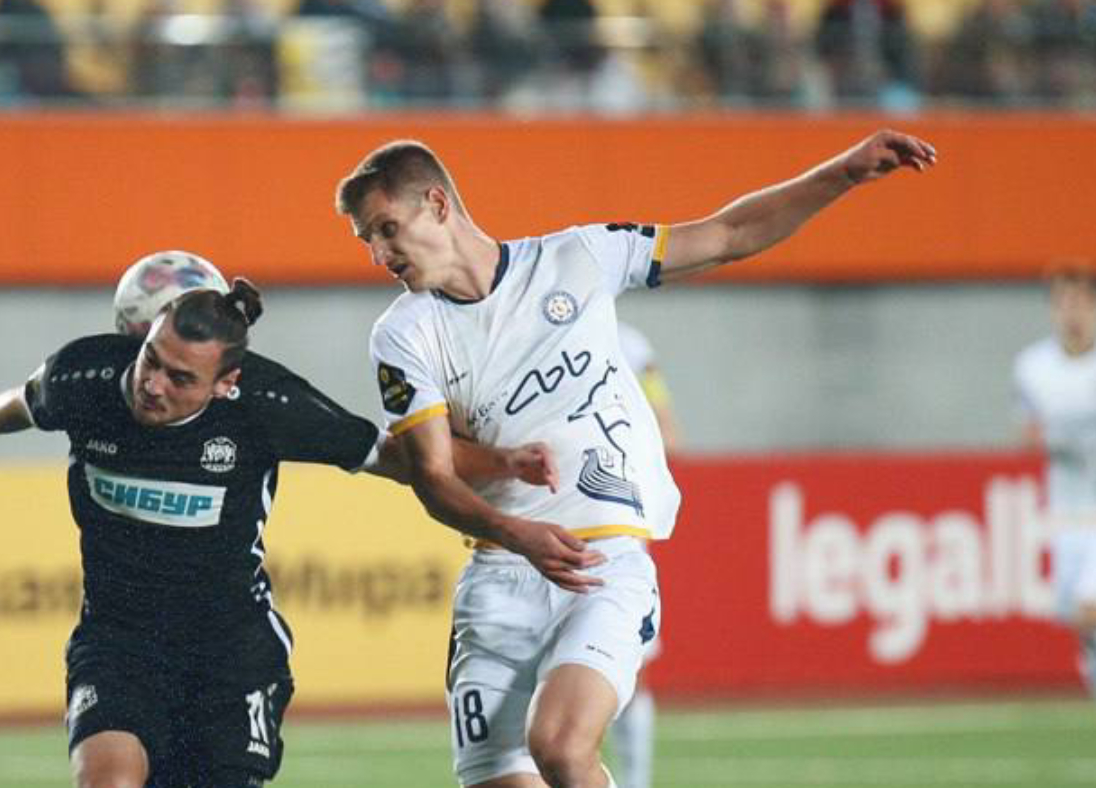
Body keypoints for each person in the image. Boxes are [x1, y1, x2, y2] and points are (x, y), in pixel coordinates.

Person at [334, 129, 936, 788]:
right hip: (498, 581)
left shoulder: (579, 257)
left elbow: (728, 234)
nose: (380, 254)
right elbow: (432, 476)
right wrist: (515, 527)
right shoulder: (403, 335)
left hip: (601, 567)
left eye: (387, 229)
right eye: (368, 240)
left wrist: (842, 173)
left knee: (560, 747)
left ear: (437, 204)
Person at [0, 278, 556, 788]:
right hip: (118, 641)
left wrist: (502, 464)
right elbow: (23, 403)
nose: (152, 385)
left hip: (230, 650)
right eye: (151, 359)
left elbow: (398, 457)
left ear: (226, 385)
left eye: (180, 378)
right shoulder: (83, 378)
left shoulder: (269, 406)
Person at [1014, 262, 1096, 774]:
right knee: (1092, 641)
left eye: (1082, 302)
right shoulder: (1032, 367)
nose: (1073, 312)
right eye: (1064, 302)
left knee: (1094, 614)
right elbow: (1027, 432)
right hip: (1068, 514)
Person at [604, 320, 676, 788]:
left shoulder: (629, 345)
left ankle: (635, 782)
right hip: (543, 514)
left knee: (632, 664)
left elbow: (669, 433)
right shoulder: (519, 326)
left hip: (615, 518)